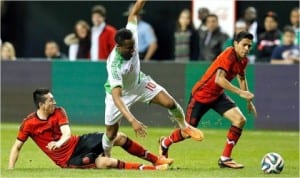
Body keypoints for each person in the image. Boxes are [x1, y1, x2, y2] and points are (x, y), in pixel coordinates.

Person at [102, 0, 204, 158]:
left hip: (139, 83)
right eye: (129, 48)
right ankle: (106, 155)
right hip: (119, 95)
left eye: (133, 45)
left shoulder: (131, 34)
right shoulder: (114, 65)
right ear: (118, 47)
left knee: (170, 103)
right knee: (110, 132)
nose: (133, 49)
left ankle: (184, 126)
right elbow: (116, 97)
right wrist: (132, 120)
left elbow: (134, 12)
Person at [159, 31, 257, 169]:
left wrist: (249, 101)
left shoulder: (243, 60)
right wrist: (240, 92)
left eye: (249, 46)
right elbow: (219, 79)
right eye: (244, 45)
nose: (247, 49)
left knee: (240, 120)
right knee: (187, 132)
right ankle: (165, 143)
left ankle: (225, 158)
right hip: (201, 96)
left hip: (217, 96)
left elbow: (241, 77)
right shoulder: (229, 54)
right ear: (235, 44)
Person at [8, 88, 172, 170]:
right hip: (68, 160)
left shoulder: (59, 111)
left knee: (119, 136)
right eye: (51, 100)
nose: (54, 102)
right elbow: (17, 147)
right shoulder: (28, 123)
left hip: (79, 142)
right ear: (41, 105)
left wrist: (58, 143)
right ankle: (153, 170)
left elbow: (67, 133)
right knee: (104, 162)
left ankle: (156, 160)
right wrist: (11, 170)